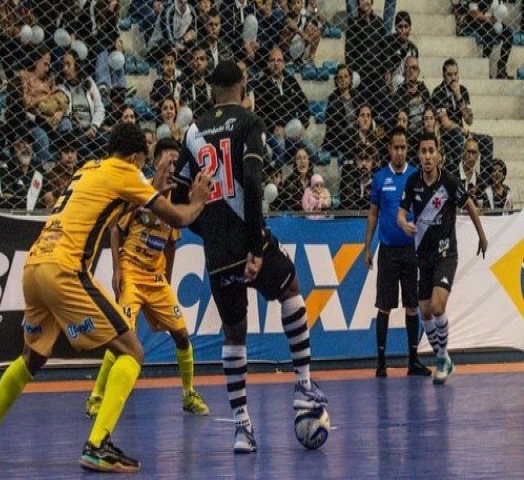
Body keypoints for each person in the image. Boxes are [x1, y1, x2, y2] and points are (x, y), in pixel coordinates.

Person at [0, 122, 212, 473]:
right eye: (142, 162)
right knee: (132, 350)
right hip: (65, 269)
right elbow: (177, 216)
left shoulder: (89, 168)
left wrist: (149, 188)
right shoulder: (127, 172)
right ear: (137, 156)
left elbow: (113, 212)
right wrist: (198, 200)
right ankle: (97, 445)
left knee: (31, 357)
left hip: (34, 264)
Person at [174, 59, 328, 454]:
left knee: (234, 333)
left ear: (211, 90)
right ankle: (303, 385)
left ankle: (242, 428)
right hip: (247, 238)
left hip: (217, 251)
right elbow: (254, 182)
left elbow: (177, 199)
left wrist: (207, 227)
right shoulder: (249, 123)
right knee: (291, 287)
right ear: (243, 86)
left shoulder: (192, 133)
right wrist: (257, 243)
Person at [85, 137, 210, 419]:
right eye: (168, 160)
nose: (173, 166)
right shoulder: (139, 191)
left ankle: (188, 393)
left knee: (181, 335)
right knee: (123, 335)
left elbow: (170, 244)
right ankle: (96, 395)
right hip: (130, 271)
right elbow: (116, 228)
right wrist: (117, 270)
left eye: (177, 162)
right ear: (155, 163)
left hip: (155, 279)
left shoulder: (176, 200)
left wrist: (166, 281)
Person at [397, 131, 488, 385]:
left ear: (438, 155)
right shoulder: (412, 182)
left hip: (446, 254)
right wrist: (405, 224)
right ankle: (443, 357)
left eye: (431, 151)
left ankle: (440, 359)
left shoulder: (448, 182)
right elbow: (401, 214)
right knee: (425, 313)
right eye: (423, 151)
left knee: (438, 307)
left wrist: (482, 235)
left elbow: (469, 204)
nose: (427, 156)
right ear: (419, 155)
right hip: (422, 257)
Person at [363, 127, 431, 378]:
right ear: (389, 149)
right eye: (396, 148)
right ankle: (381, 363)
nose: (400, 152)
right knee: (384, 307)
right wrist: (367, 247)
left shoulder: (416, 176)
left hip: (411, 252)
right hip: (388, 252)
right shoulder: (380, 178)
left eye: (403, 148)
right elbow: (373, 214)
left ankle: (413, 361)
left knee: (412, 306)